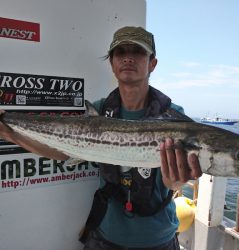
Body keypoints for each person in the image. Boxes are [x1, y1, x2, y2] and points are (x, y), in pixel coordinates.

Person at [0, 26, 202, 250]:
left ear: (152, 63)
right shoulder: (99, 110)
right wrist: (9, 133)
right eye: (120, 52)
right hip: (105, 236)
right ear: (112, 63)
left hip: (157, 238)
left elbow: (171, 182)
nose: (128, 58)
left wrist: (175, 182)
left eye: (137, 51)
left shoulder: (173, 118)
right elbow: (63, 150)